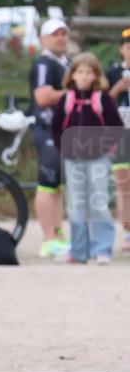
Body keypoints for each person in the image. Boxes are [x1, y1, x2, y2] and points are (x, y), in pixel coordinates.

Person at [50, 52, 124, 264]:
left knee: (99, 201)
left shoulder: (103, 99)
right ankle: (79, 250)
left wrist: (104, 147)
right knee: (76, 204)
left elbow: (116, 127)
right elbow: (56, 127)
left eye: (88, 72)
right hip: (73, 159)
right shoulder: (66, 100)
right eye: (79, 72)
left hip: (98, 158)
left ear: (95, 76)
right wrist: (63, 147)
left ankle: (102, 249)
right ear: (72, 75)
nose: (83, 76)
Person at [29, 18, 72, 258]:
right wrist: (76, 92)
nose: (60, 38)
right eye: (54, 34)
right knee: (48, 182)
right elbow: (43, 97)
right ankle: (48, 238)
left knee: (58, 185)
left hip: (67, 130)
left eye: (63, 33)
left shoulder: (67, 62)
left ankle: (58, 233)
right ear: (44, 39)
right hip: (48, 129)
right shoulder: (45, 64)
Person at [103, 27, 130, 253]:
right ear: (122, 50)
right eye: (129, 47)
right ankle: (128, 231)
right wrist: (118, 89)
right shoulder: (111, 73)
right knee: (124, 185)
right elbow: (101, 103)